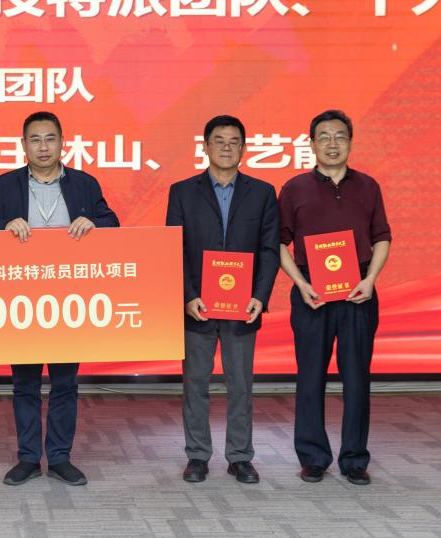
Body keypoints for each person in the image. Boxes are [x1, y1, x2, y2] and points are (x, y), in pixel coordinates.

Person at [0, 110, 119, 486]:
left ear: (62, 142)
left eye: (50, 138)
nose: (43, 146)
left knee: (65, 383)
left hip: (68, 300)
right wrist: (4, 226)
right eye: (35, 139)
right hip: (22, 300)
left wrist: (94, 223)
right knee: (24, 383)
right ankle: (27, 457)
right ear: (23, 145)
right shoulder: (5, 185)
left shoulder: (84, 183)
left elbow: (113, 224)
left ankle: (59, 457)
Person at [278, 109, 391, 486]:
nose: (332, 143)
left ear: (350, 142)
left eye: (339, 136)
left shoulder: (368, 186)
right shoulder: (294, 188)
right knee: (310, 376)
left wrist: (370, 280)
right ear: (311, 144)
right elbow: (278, 243)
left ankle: (355, 459)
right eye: (323, 137)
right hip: (312, 293)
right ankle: (313, 457)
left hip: (359, 291)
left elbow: (382, 237)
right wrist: (300, 283)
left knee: (357, 378)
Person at [165, 115, 280, 484]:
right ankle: (197, 456)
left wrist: (260, 295)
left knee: (240, 385)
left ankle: (240, 457)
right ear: (205, 147)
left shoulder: (262, 192)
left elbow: (269, 249)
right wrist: (188, 296)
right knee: (195, 384)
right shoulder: (182, 191)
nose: (226, 147)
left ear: (243, 149)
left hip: (242, 308)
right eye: (219, 140)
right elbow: (173, 249)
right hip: (197, 307)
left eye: (234, 142)